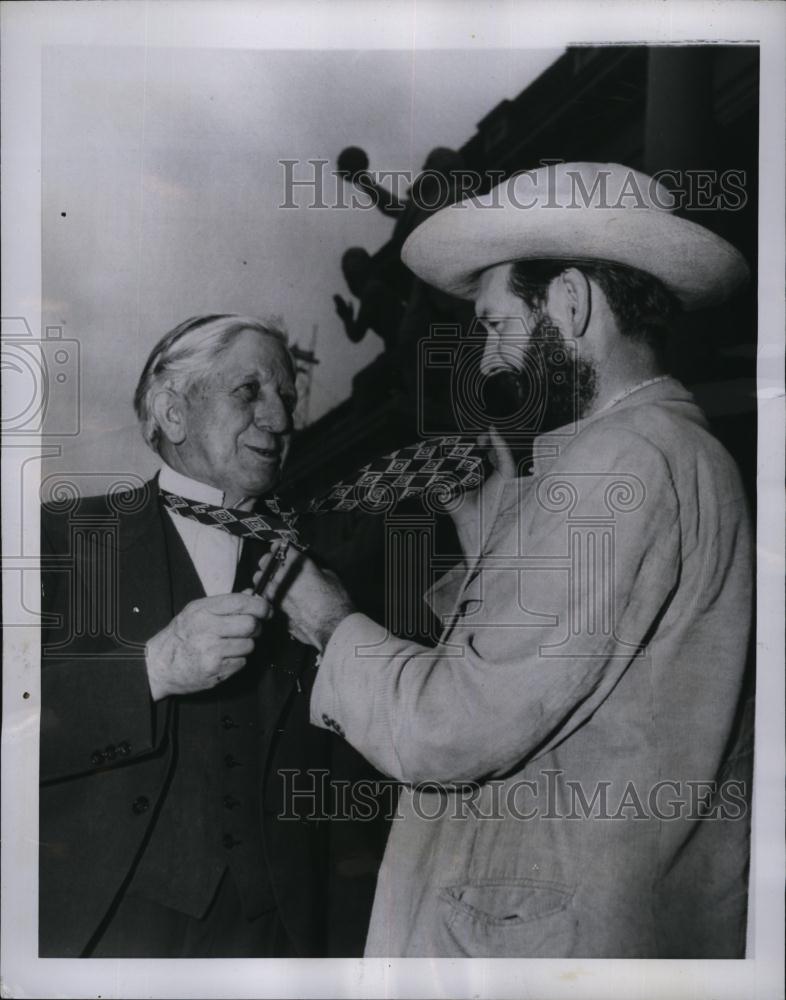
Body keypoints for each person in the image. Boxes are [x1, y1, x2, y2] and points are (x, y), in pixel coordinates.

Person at [259, 163, 755, 957]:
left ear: (571, 301)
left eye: (495, 326)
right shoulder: (665, 452)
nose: (488, 362)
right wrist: (494, 530)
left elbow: (452, 728)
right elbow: (585, 686)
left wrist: (331, 623)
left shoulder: (619, 465)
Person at [39, 314, 374, 957]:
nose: (279, 421)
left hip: (280, 939)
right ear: (172, 412)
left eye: (285, 396)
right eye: (249, 392)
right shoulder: (61, 540)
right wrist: (151, 669)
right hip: (109, 933)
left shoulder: (326, 570)